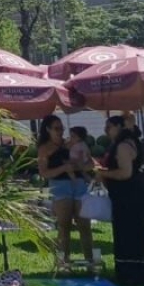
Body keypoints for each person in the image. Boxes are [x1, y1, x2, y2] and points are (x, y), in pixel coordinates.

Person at [95, 115, 144, 286]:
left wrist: (103, 173)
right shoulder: (124, 143)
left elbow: (125, 173)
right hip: (125, 195)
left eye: (108, 127)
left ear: (119, 127)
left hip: (129, 196)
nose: (105, 131)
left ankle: (134, 274)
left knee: (130, 235)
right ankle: (132, 272)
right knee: (129, 234)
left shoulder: (123, 146)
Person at [37, 115, 93, 270]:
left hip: (79, 185)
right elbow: (43, 172)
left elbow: (90, 164)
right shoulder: (44, 149)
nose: (60, 131)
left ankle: (91, 262)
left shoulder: (71, 143)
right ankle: (63, 263)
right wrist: (63, 168)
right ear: (48, 129)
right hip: (60, 186)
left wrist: (77, 167)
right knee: (64, 226)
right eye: (56, 128)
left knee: (84, 225)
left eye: (62, 128)